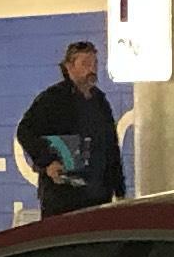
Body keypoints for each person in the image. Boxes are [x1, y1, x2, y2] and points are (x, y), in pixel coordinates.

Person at [14, 41, 123, 219]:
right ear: (69, 67)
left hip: (98, 196)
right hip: (63, 197)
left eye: (94, 63)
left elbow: (111, 147)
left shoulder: (100, 101)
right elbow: (25, 131)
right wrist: (48, 162)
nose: (92, 69)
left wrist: (119, 190)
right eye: (85, 64)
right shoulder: (52, 99)